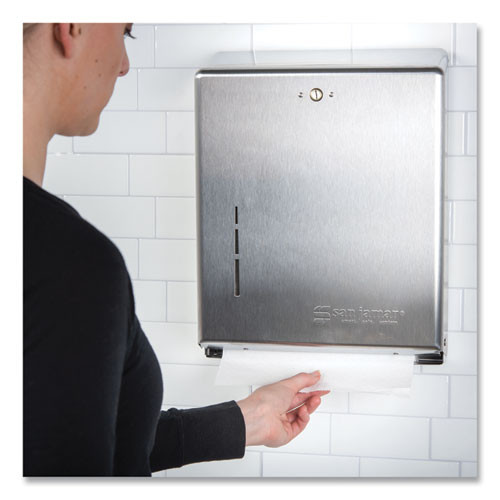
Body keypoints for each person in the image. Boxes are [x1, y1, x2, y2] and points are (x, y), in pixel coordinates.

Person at [23, 23, 328, 477]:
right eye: (125, 32)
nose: (124, 65)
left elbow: (77, 440)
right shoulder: (71, 266)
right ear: (71, 26)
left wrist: (249, 419)